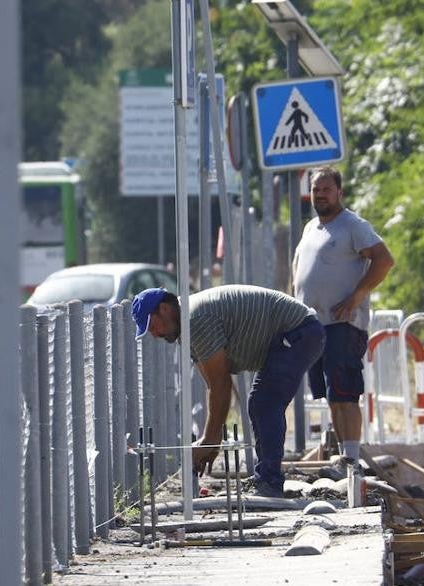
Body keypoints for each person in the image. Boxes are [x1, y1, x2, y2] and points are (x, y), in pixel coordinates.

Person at [132, 284, 324, 497]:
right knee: (260, 403)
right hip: (297, 332)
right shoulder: (186, 332)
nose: (154, 334)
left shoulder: (195, 320)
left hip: (299, 331)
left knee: (265, 402)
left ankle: (269, 482)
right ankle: (267, 480)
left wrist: (210, 439)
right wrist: (213, 440)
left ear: (165, 309)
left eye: (151, 325)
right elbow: (214, 386)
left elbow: (221, 385)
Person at [292, 166, 395, 477]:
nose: (320, 194)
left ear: (339, 192)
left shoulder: (352, 225)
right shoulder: (311, 228)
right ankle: (343, 457)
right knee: (330, 394)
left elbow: (384, 259)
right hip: (313, 325)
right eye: (316, 189)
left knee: (345, 392)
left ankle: (351, 458)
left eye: (326, 188)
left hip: (342, 324)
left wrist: (356, 296)